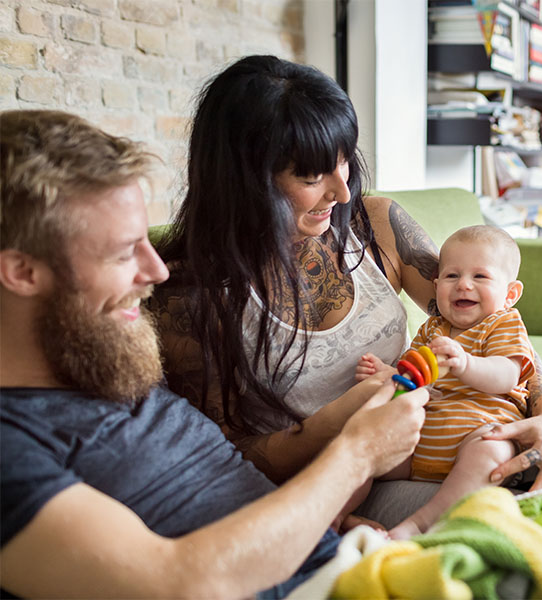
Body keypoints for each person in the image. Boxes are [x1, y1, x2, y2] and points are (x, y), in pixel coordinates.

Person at [150, 54, 542, 531]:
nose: (343, 193)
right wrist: (344, 429)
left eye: (343, 161)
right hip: (361, 476)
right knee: (531, 521)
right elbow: (224, 458)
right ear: (246, 180)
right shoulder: (189, 299)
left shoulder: (375, 224)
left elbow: (492, 321)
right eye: (311, 175)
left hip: (464, 420)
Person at [0, 109, 431, 599]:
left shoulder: (104, 357)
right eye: (123, 253)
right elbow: (179, 584)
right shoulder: (14, 443)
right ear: (21, 272)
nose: (156, 271)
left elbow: (227, 495)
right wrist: (357, 455)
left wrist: (325, 516)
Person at [355, 225, 537, 538]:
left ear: (510, 294)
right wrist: (388, 374)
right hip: (419, 444)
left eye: (480, 277)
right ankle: (338, 515)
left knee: (490, 452)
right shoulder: (431, 329)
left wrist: (466, 364)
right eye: (452, 276)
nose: (463, 285)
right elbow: (411, 378)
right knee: (366, 445)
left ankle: (417, 526)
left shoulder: (502, 323)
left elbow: (506, 375)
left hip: (478, 434)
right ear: (437, 284)